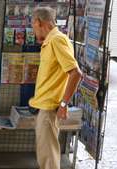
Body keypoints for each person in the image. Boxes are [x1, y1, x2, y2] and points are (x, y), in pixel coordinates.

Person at [29, 7, 82, 169]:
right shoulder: (51, 41)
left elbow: (75, 73)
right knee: (46, 158)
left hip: (49, 110)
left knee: (49, 161)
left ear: (38, 22)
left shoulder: (57, 40)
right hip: (45, 108)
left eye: (33, 26)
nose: (33, 31)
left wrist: (64, 105)